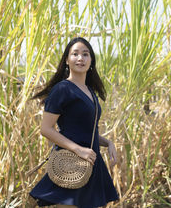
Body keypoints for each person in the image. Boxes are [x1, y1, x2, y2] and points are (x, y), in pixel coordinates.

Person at [29, 37, 119, 207]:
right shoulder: (62, 89)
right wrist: (79, 150)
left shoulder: (91, 92)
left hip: (91, 162)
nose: (80, 58)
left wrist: (108, 143)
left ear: (91, 61)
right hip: (71, 163)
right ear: (67, 60)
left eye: (85, 54)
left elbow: (84, 131)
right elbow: (46, 129)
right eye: (75, 54)